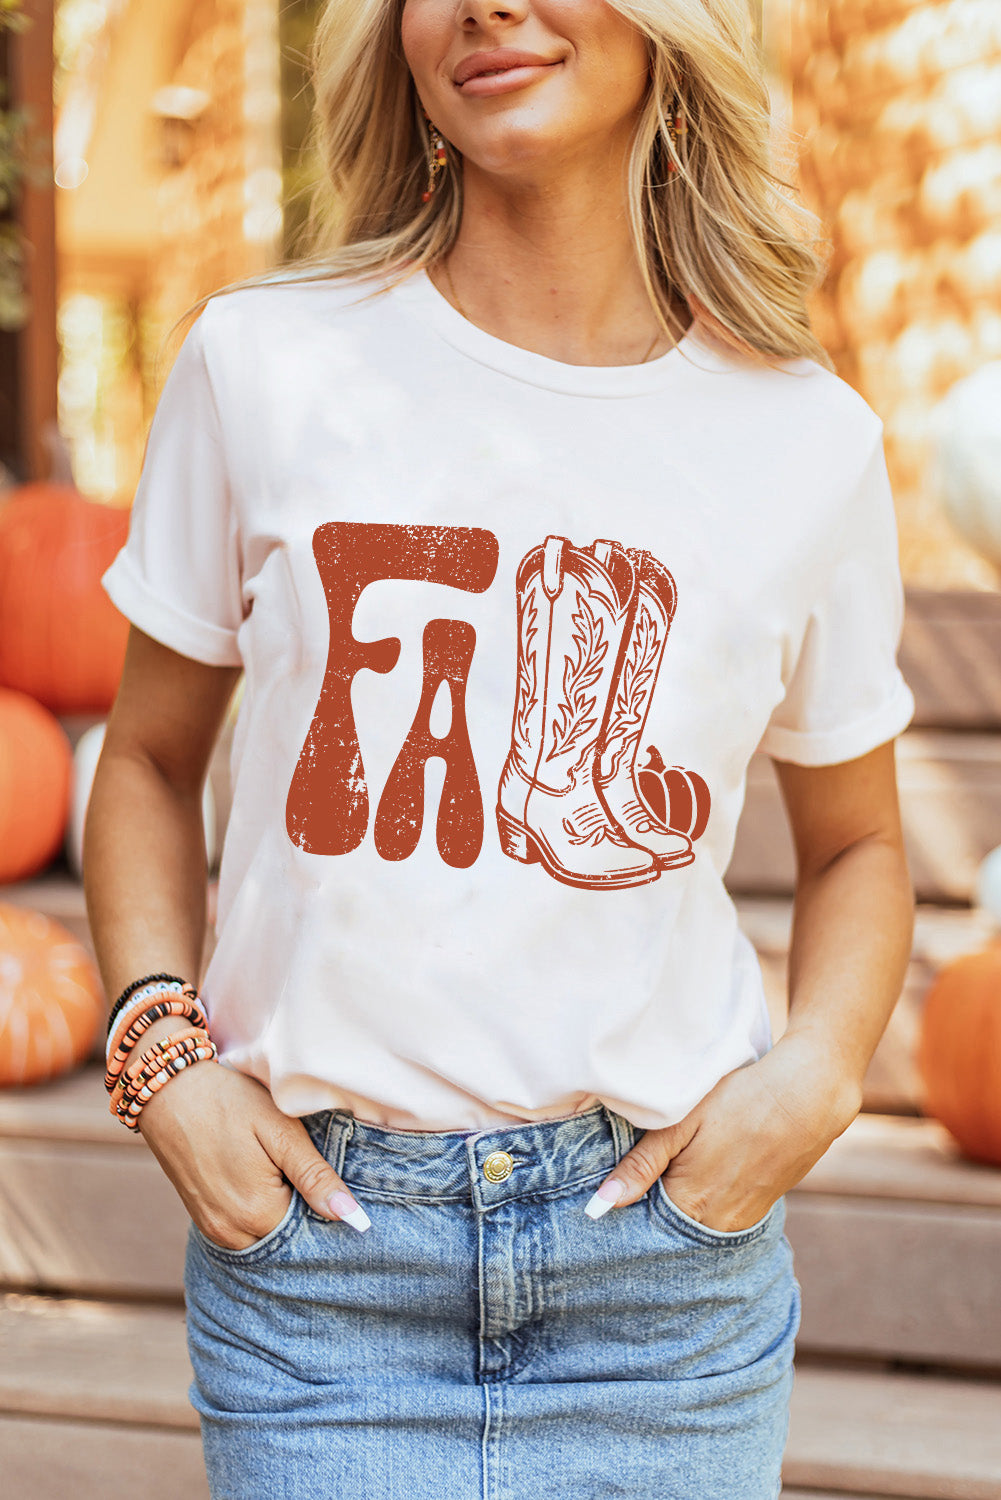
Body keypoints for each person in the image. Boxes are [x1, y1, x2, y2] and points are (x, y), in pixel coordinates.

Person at [84, 2, 916, 1496]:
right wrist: (164, 1060)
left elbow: (858, 841)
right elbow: (144, 759)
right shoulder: (261, 365)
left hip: (663, 1278)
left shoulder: (805, 441)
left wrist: (817, 1079)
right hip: (324, 1270)